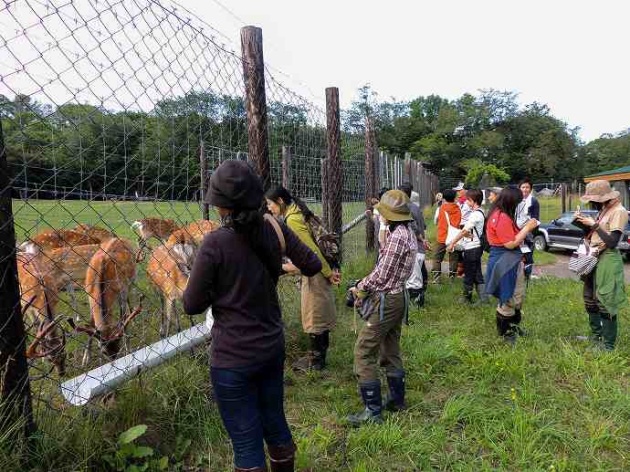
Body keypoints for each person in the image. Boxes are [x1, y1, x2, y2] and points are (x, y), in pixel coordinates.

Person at [183, 160, 322, 472]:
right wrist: (277, 266)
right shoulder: (274, 226)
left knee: (246, 442)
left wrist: (220, 288)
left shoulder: (214, 243)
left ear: (219, 204)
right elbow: (312, 264)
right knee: (275, 422)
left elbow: (190, 305)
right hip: (271, 347)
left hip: (233, 357)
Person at [348, 189, 417, 426]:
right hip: (398, 296)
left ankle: (373, 411)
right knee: (390, 348)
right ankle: (396, 400)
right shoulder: (404, 232)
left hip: (387, 299)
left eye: (382, 212)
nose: (379, 214)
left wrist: (359, 285)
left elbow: (382, 274)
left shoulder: (398, 237)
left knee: (364, 351)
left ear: (390, 214)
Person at [265, 186, 340, 372]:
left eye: (270, 204)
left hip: (315, 273)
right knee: (319, 314)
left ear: (280, 201)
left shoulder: (292, 220)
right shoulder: (299, 211)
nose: (269, 208)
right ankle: (318, 357)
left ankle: (316, 362)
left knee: (313, 316)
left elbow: (311, 252)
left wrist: (328, 273)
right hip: (321, 269)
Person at [574, 180, 628, 351]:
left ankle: (608, 344)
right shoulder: (604, 209)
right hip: (594, 255)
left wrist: (594, 225)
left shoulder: (618, 211)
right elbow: (593, 235)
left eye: (593, 200)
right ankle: (596, 336)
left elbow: (612, 242)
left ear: (601, 198)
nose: (591, 203)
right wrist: (581, 222)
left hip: (608, 258)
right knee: (589, 298)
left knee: (605, 300)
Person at [485, 187, 539, 344]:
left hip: (508, 259)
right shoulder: (501, 217)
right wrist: (528, 228)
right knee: (509, 296)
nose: (517, 205)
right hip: (506, 260)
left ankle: (512, 327)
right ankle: (505, 333)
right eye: (517, 202)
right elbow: (510, 243)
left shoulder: (498, 214)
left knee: (515, 295)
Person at [447, 189, 487, 304]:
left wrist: (452, 243)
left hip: (472, 249)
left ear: (473, 201)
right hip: (475, 247)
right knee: (476, 273)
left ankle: (466, 298)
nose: (466, 202)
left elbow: (464, 231)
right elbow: (471, 231)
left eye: (468, 200)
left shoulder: (475, 215)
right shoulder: (480, 212)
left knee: (469, 274)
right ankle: (483, 299)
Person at [398, 182, 430, 306]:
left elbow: (413, 227)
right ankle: (417, 298)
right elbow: (423, 226)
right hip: (419, 248)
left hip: (414, 247)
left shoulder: (405, 208)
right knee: (418, 275)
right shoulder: (416, 208)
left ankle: (416, 303)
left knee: (413, 279)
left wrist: (421, 239)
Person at [431, 189, 461, 282]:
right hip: (453, 238)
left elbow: (435, 221)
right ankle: (452, 278)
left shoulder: (441, 208)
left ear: (444, 198)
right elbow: (459, 221)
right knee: (453, 258)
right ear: (454, 198)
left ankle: (436, 279)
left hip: (442, 236)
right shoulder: (458, 209)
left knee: (437, 258)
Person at [515, 178, 540, 281]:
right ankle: (516, 275)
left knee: (528, 255)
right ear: (519, 188)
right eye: (523, 187)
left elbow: (536, 219)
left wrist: (528, 230)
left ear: (530, 189)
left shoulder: (533, 201)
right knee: (515, 254)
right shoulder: (515, 200)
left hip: (528, 233)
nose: (525, 189)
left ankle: (527, 277)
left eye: (527, 187)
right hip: (515, 232)